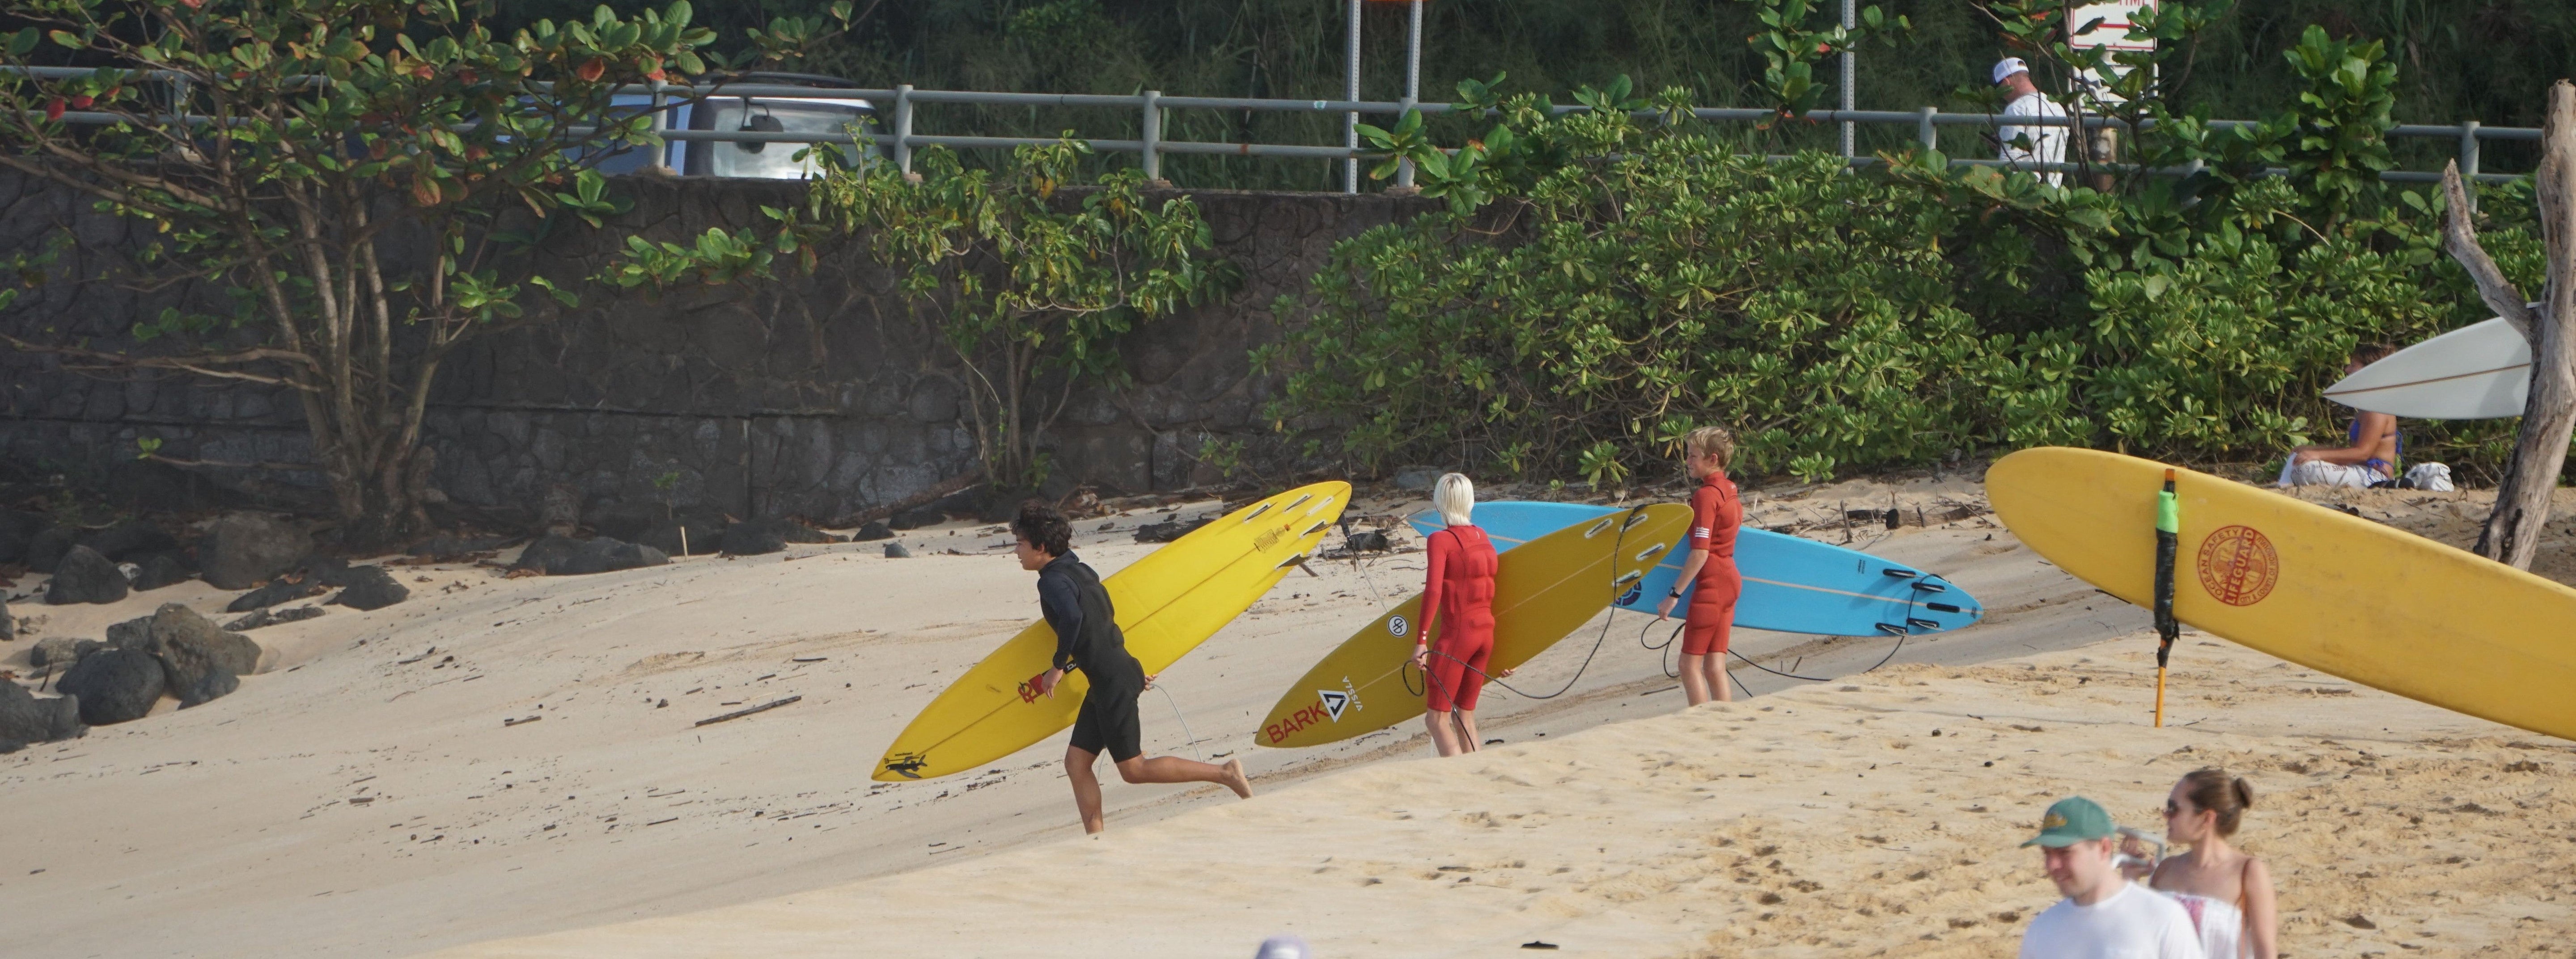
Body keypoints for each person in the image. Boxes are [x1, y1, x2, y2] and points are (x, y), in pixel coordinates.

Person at [1017, 501, 1252, 833]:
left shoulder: (1051, 582)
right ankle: (1096, 838)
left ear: (1040, 547)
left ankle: (1225, 773)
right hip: (1112, 674)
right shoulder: (1082, 571)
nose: (1016, 551)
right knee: (1076, 763)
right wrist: (1129, 666)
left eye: (1021, 544)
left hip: (1112, 678)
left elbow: (1073, 618)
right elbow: (1103, 621)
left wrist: (1057, 667)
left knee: (1134, 768)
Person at [2019, 795, 2207, 959]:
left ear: (2104, 848)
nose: (2052, 865)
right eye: (2047, 854)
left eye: (2065, 853)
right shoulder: (2042, 929)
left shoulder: (2163, 917)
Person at [2125, 769, 2279, 959]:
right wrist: (2130, 881)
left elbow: (2266, 952)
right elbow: (2140, 940)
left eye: (2174, 809)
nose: (2165, 815)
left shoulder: (2248, 871)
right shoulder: (2166, 869)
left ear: (2207, 818)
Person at [1413, 473, 1501, 757]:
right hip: (1486, 634)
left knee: (1436, 719)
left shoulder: (1441, 540)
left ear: (1439, 503)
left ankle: (1457, 778)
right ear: (1470, 501)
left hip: (1459, 638)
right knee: (1464, 715)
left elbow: (1434, 592)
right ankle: (1478, 773)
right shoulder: (1484, 537)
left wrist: (1422, 640)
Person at [1655, 426, 1744, 706]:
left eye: (1694, 456)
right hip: (1730, 580)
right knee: (1714, 665)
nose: (1688, 461)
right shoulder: (1730, 489)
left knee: (1688, 665)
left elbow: (1700, 553)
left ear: (1713, 459)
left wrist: (1673, 596)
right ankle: (1728, 723)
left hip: (1712, 586)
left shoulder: (1707, 496)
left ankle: (1702, 726)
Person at [2279, 344, 2400, 489]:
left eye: (2353, 365)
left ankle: (2284, 488)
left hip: (2372, 476)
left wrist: (2318, 456)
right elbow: (2354, 452)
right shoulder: (2368, 405)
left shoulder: (2376, 409)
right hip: (2358, 470)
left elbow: (2363, 454)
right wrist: (2315, 450)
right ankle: (2282, 487)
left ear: (2368, 371)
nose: (2347, 370)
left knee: (2305, 469)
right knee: (2297, 457)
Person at [1995, 57, 2069, 186]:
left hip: (2025, 191)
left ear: (2006, 83)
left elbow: (2009, 161)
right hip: (2053, 191)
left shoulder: (2016, 109)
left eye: (1997, 87)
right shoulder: (2057, 106)